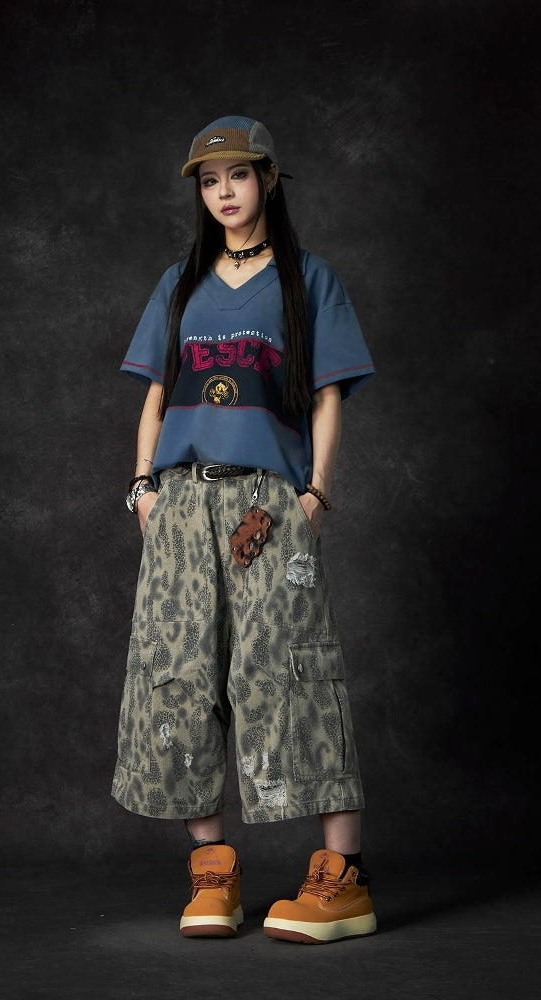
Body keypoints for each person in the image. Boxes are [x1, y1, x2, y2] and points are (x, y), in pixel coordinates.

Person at [112, 115, 376, 944]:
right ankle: (214, 875)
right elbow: (156, 395)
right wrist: (143, 488)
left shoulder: (309, 280)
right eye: (208, 180)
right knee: (182, 672)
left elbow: (327, 396)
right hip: (182, 501)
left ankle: (342, 880)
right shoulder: (180, 283)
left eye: (237, 175)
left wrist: (316, 495)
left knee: (294, 669)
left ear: (267, 179)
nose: (223, 192)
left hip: (268, 505)